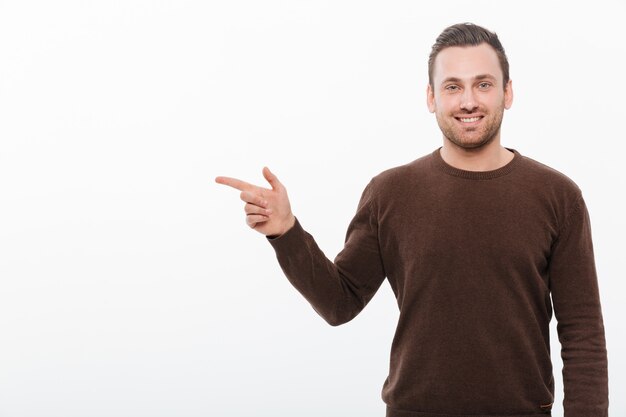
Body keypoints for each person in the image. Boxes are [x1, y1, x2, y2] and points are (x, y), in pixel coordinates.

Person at [215, 23, 609, 417]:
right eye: (452, 86)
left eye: (483, 84)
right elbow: (340, 303)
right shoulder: (391, 193)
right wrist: (287, 232)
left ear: (507, 93)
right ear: (431, 97)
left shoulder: (558, 196)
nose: (468, 101)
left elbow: (583, 335)